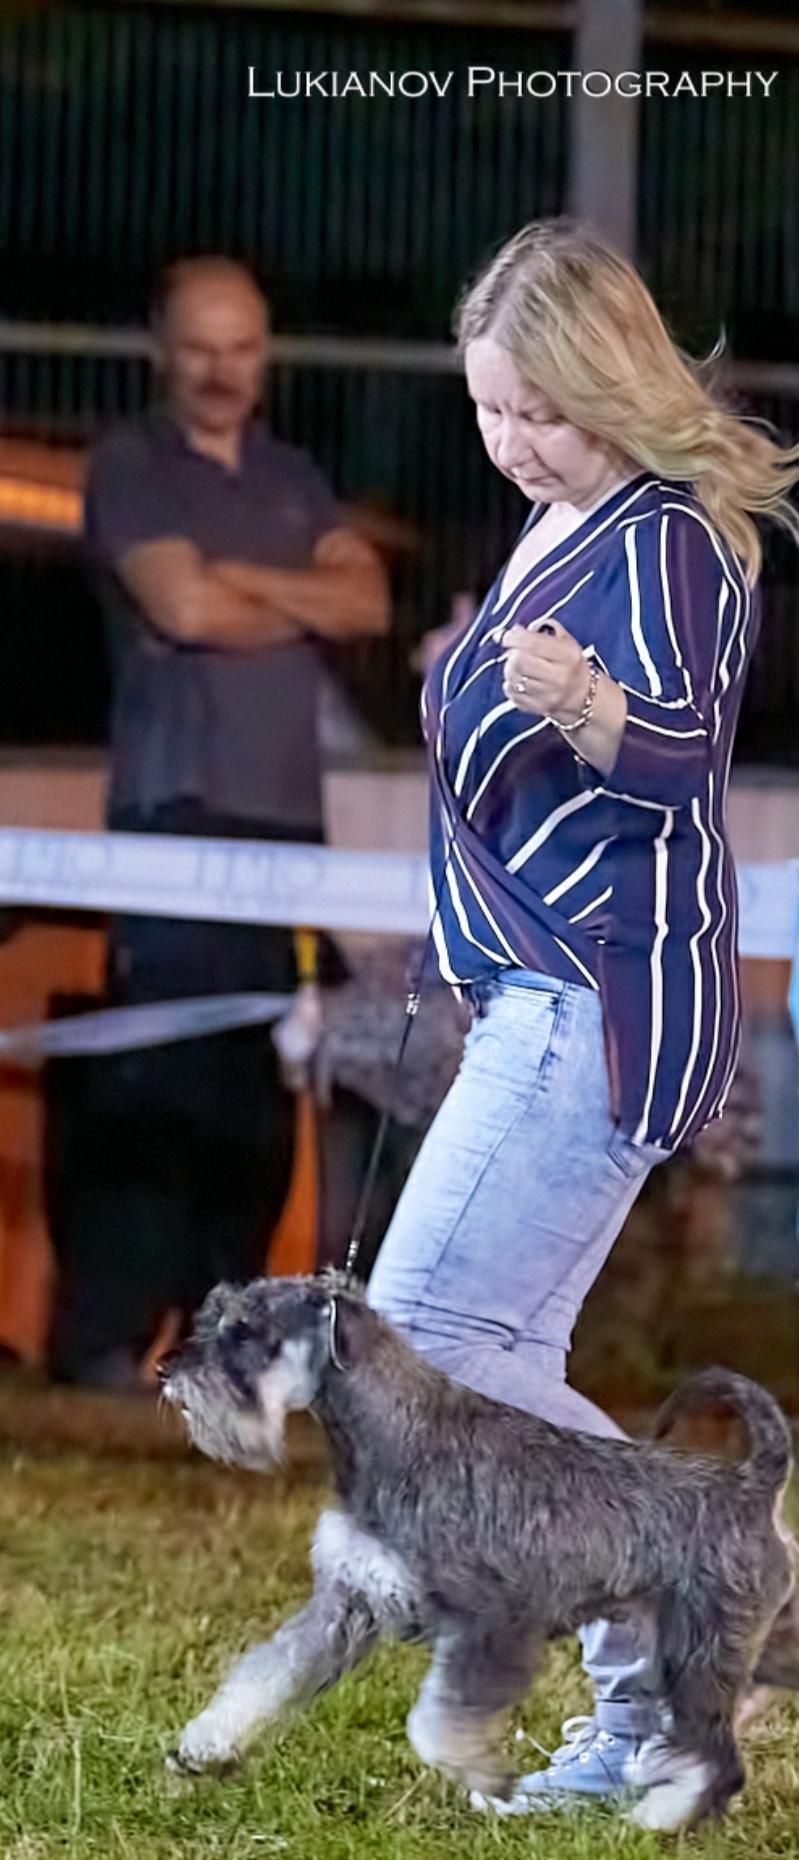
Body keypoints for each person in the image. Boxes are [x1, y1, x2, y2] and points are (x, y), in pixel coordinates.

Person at [365, 216, 799, 1810]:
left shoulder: (668, 536)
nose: (509, 441)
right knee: (486, 1354)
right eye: (487, 408)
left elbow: (684, 754)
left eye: (538, 411)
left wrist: (585, 705)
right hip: (542, 990)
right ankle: (666, 1685)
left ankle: (697, 1597)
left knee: (433, 1350)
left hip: (600, 995)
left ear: (610, 385)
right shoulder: (558, 520)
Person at [48, 256, 389, 1389]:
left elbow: (367, 601)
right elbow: (182, 606)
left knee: (255, 1091)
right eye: (199, 346)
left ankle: (227, 1346)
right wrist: (292, 593)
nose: (220, 370)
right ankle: (104, 1339)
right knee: (156, 1081)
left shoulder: (292, 475)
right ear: (160, 349)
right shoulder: (131, 467)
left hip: (286, 825)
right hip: (174, 815)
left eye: (241, 348)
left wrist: (244, 578)